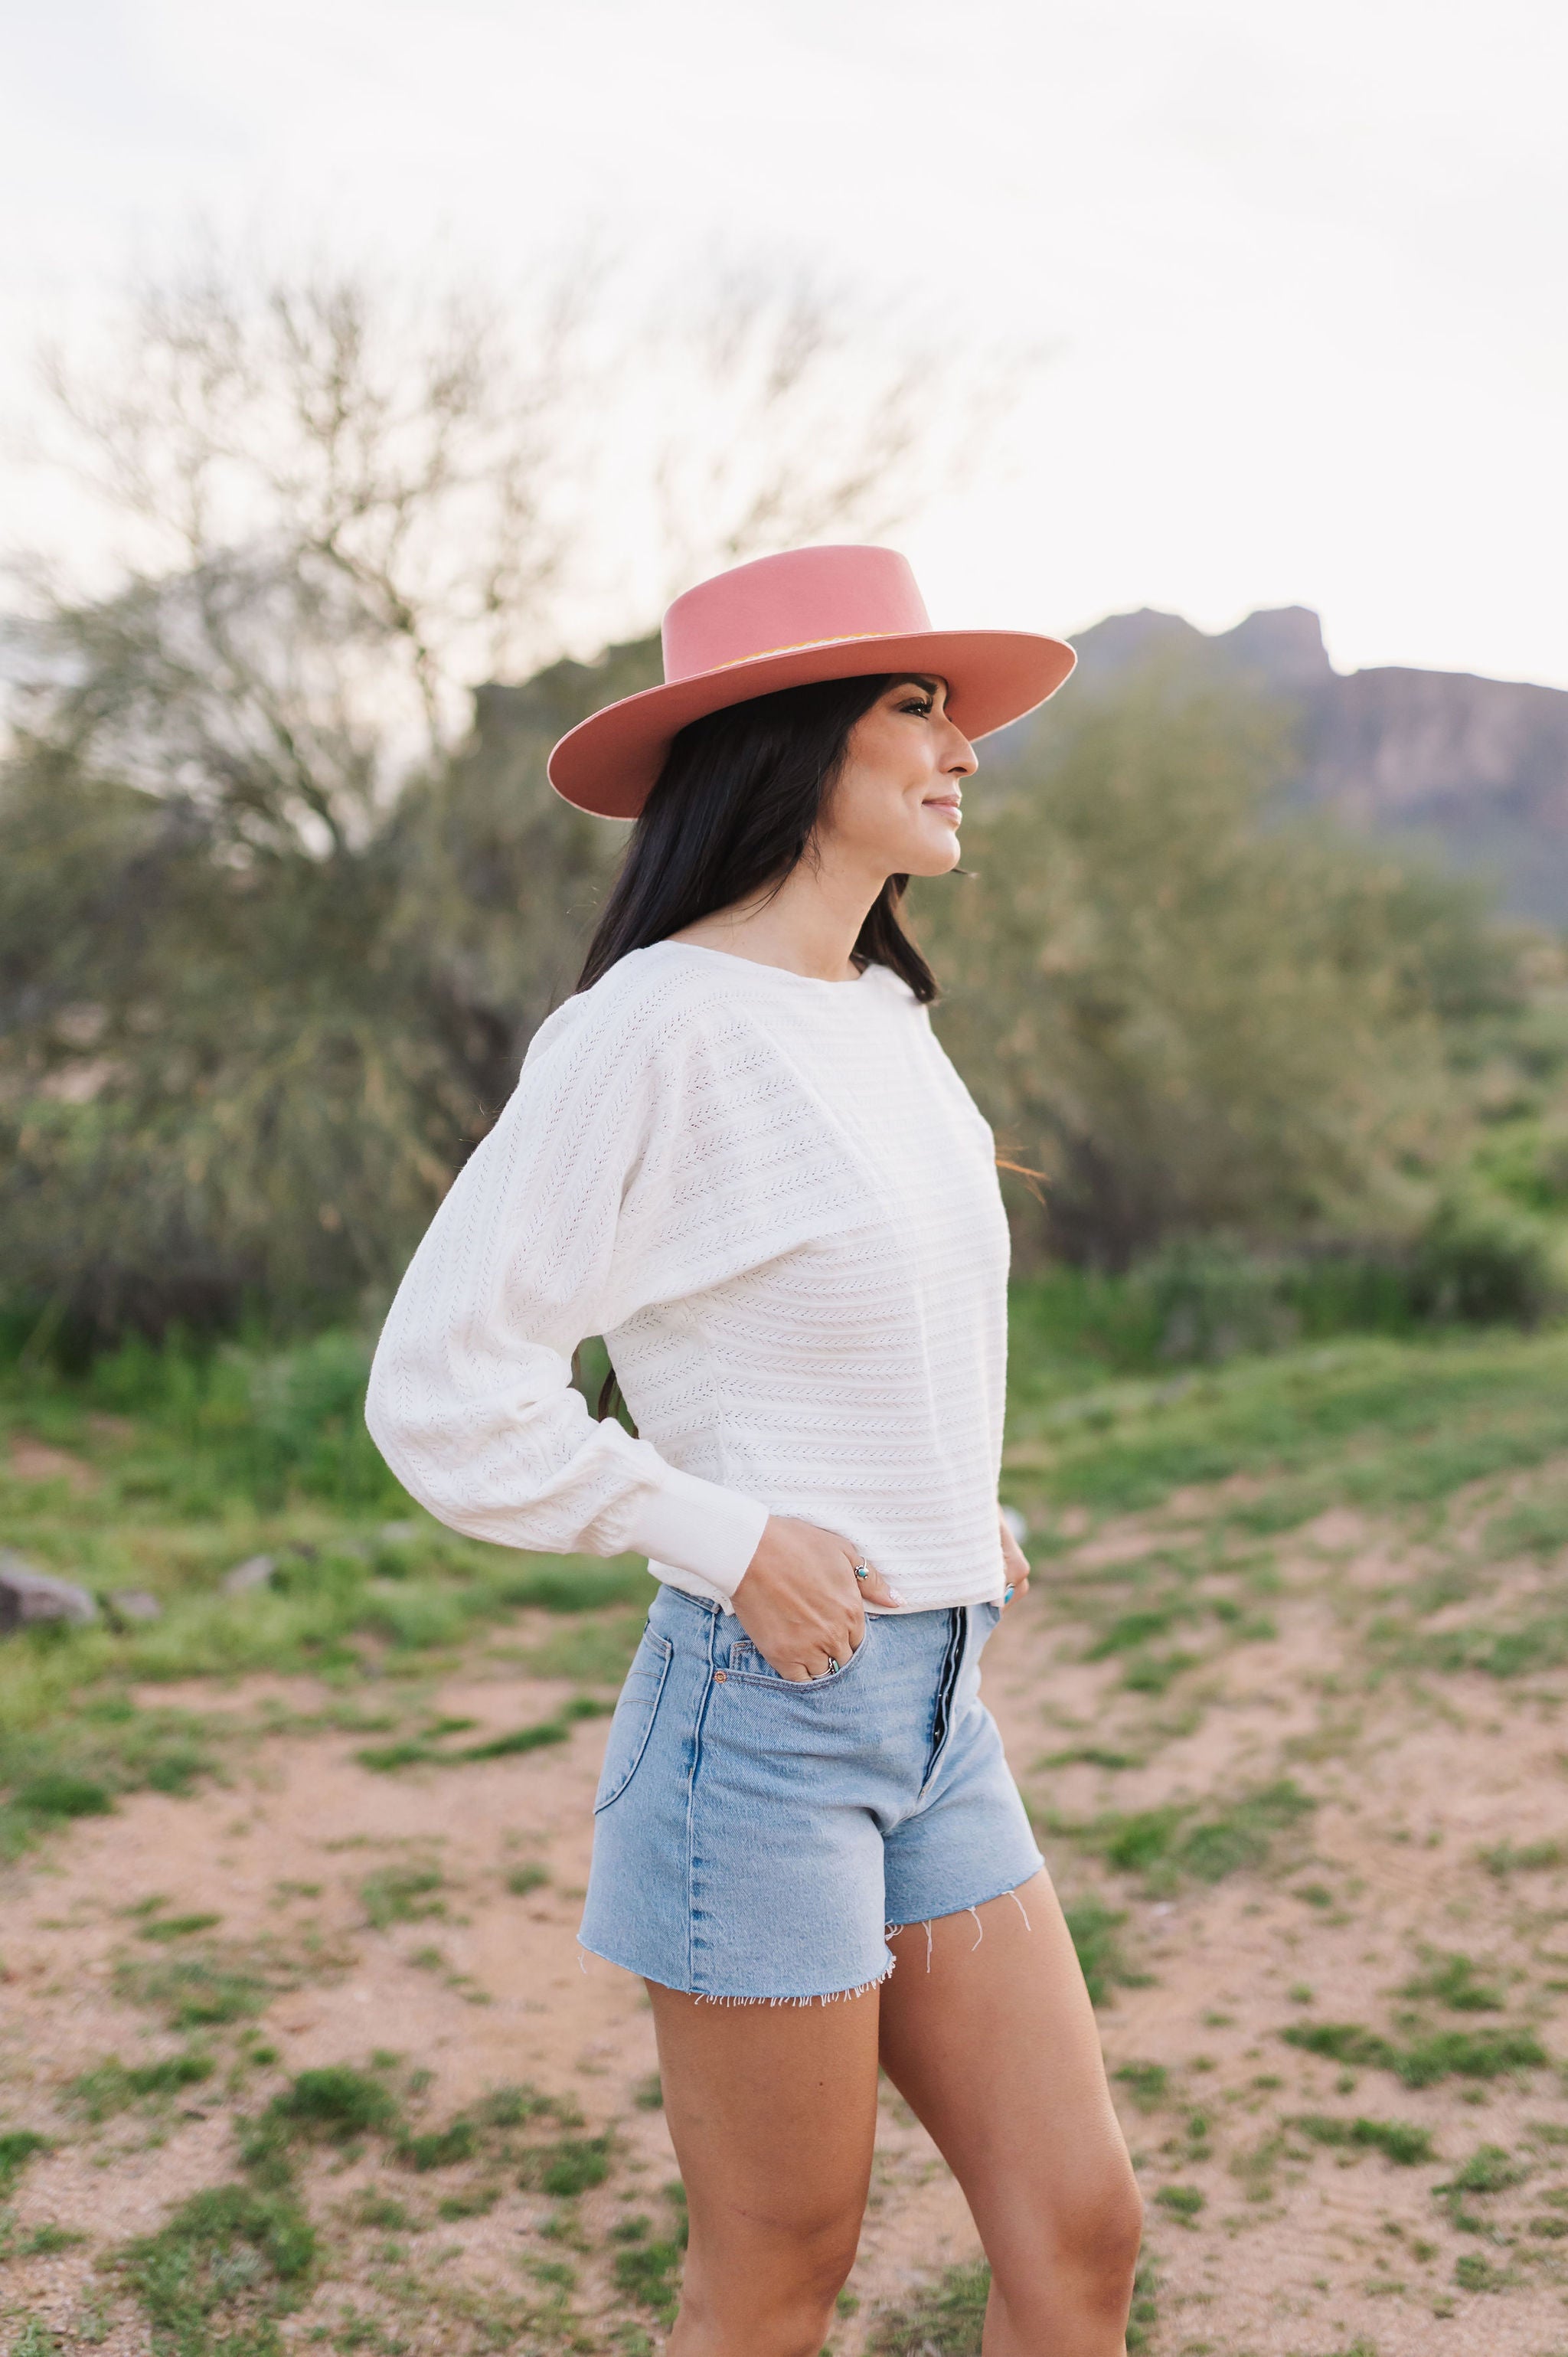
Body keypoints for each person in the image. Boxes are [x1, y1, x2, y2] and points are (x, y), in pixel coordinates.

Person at [366, 544, 1142, 2356]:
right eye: (914, 705)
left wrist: (951, 1499)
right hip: (761, 1725)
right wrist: (721, 1533)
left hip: (939, 1706)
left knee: (1080, 2228)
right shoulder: (646, 1029)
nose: (963, 750)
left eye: (953, 712)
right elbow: (443, 1387)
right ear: (794, 740)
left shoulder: (879, 1014)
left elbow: (844, 1313)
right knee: (779, 2275)